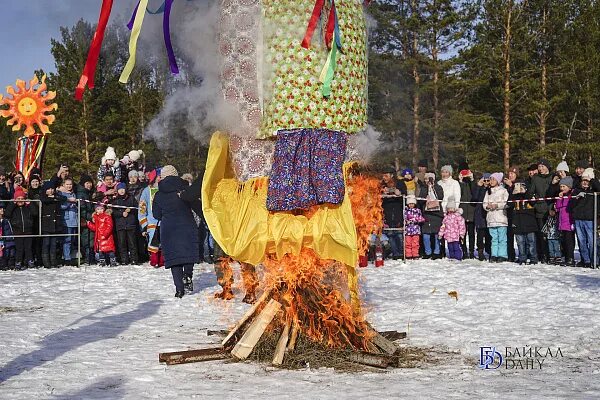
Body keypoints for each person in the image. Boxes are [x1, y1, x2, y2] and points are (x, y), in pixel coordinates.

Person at [152, 165, 200, 298]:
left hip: (169, 228)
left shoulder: (158, 194)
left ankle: (179, 289)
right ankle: (187, 275)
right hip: (186, 224)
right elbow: (196, 205)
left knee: (174, 258)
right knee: (187, 252)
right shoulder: (185, 189)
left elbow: (156, 215)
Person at [570, 168, 599, 268]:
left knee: (592, 241)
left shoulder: (594, 191)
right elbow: (571, 204)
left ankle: (594, 259)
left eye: (587, 181)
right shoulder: (576, 190)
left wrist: (592, 179)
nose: (585, 183)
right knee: (581, 241)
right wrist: (577, 198)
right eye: (583, 181)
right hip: (578, 219)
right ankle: (585, 260)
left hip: (590, 219)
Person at [528, 159, 553, 263]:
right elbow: (530, 193)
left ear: (547, 167)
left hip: (551, 208)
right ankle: (543, 255)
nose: (541, 169)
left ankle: (553, 255)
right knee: (541, 234)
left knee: (552, 234)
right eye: (539, 167)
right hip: (539, 209)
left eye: (543, 166)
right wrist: (534, 201)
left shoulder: (553, 177)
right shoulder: (535, 178)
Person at [5, 188, 37, 270]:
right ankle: (18, 262)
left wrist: (30, 204)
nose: (20, 201)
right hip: (17, 231)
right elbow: (7, 214)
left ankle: (30, 261)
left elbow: (35, 213)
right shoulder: (14, 208)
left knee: (28, 248)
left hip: (28, 231)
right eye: (18, 199)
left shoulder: (27, 207)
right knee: (19, 248)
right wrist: (12, 204)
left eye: (22, 199)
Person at [138, 168, 162, 267]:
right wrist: (144, 224)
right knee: (153, 242)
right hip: (152, 221)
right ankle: (154, 260)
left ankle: (163, 260)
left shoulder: (165, 189)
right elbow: (142, 208)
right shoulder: (146, 191)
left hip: (164, 221)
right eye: (160, 177)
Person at [510, 182, 538, 265]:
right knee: (520, 242)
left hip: (529, 221)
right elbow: (509, 204)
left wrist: (525, 193)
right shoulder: (514, 196)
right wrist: (513, 194)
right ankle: (522, 258)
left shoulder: (529, 195)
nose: (519, 188)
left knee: (531, 242)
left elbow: (533, 202)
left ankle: (533, 258)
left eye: (521, 187)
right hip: (517, 221)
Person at [483, 172, 509, 262]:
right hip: (491, 219)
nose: (491, 181)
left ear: (498, 181)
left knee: (502, 238)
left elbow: (505, 203)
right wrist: (487, 206)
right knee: (494, 238)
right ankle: (494, 254)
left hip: (501, 218)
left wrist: (496, 205)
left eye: (493, 179)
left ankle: (502, 255)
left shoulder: (503, 191)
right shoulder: (488, 191)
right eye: (490, 179)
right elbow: (484, 203)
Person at [111, 183, 139, 265]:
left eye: (123, 189)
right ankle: (124, 259)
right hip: (120, 225)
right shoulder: (115, 200)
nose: (122, 191)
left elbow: (136, 208)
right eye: (120, 189)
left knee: (132, 243)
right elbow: (114, 212)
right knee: (122, 243)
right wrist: (121, 213)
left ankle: (134, 259)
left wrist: (130, 210)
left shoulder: (131, 198)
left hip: (130, 224)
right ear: (117, 191)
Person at [418, 172, 444, 259]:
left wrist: (433, 187)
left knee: (437, 234)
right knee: (426, 235)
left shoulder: (438, 187)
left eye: (429, 179)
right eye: (426, 179)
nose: (427, 181)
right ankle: (427, 252)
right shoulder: (423, 188)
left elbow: (440, 197)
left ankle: (437, 252)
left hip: (436, 214)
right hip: (426, 214)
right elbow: (420, 199)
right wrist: (427, 188)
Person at [381, 168, 406, 260]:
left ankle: (401, 252)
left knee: (399, 233)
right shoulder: (381, 184)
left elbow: (405, 195)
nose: (384, 178)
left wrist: (400, 193)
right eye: (383, 175)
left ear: (392, 175)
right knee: (390, 233)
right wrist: (382, 192)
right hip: (387, 210)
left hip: (397, 210)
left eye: (386, 175)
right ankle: (395, 253)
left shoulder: (400, 183)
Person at [39, 181, 64, 268]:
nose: (51, 190)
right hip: (46, 224)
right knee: (46, 243)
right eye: (48, 189)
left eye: (52, 189)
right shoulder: (43, 196)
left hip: (55, 224)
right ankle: (46, 262)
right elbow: (44, 199)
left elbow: (63, 198)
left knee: (53, 244)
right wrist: (53, 198)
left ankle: (53, 261)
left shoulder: (57, 196)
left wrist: (54, 197)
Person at [554, 176, 575, 266]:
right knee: (563, 241)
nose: (562, 188)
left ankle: (570, 258)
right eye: (561, 186)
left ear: (569, 187)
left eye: (564, 186)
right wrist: (559, 199)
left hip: (569, 222)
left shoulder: (571, 195)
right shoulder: (561, 196)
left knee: (569, 241)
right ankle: (565, 257)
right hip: (562, 222)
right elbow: (558, 208)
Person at [76, 175, 96, 265]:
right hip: (84, 220)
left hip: (90, 218)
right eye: (87, 183)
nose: (89, 185)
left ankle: (91, 258)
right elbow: (82, 209)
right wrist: (91, 215)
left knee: (91, 239)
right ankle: (88, 258)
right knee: (86, 240)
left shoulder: (89, 192)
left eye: (90, 183)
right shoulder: (81, 193)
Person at [59, 178, 78, 266]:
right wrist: (69, 203)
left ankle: (70, 256)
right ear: (63, 185)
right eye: (67, 184)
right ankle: (67, 258)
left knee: (73, 239)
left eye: (70, 184)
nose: (69, 186)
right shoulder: (62, 194)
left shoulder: (73, 193)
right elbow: (61, 206)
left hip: (74, 219)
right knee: (67, 240)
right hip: (66, 220)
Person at [473, 173, 492, 261]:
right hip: (480, 213)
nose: (486, 182)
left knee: (489, 234)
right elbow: (475, 198)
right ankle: (480, 251)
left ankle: (489, 250)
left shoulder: (492, 188)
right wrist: (479, 186)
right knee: (480, 234)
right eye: (485, 180)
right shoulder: (479, 188)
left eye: (488, 180)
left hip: (489, 214)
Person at [458, 168, 476, 258]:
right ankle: (464, 251)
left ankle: (472, 251)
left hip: (472, 212)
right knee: (462, 234)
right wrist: (460, 181)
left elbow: (475, 192)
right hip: (463, 212)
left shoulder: (473, 183)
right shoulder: (459, 184)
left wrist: (472, 179)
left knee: (472, 234)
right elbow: (458, 194)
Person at [404, 195, 425, 259]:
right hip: (408, 230)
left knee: (415, 243)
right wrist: (406, 221)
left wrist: (416, 220)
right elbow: (404, 219)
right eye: (410, 203)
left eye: (412, 203)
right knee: (408, 243)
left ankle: (415, 254)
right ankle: (408, 254)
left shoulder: (417, 210)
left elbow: (421, 218)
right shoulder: (406, 211)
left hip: (415, 230)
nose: (411, 205)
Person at [0, 204, 15, 270]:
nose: (2, 210)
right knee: (3, 253)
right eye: (0, 209)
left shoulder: (7, 220)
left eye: (3, 208)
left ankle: (10, 264)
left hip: (9, 238)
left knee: (11, 253)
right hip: (2, 240)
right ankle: (3, 264)